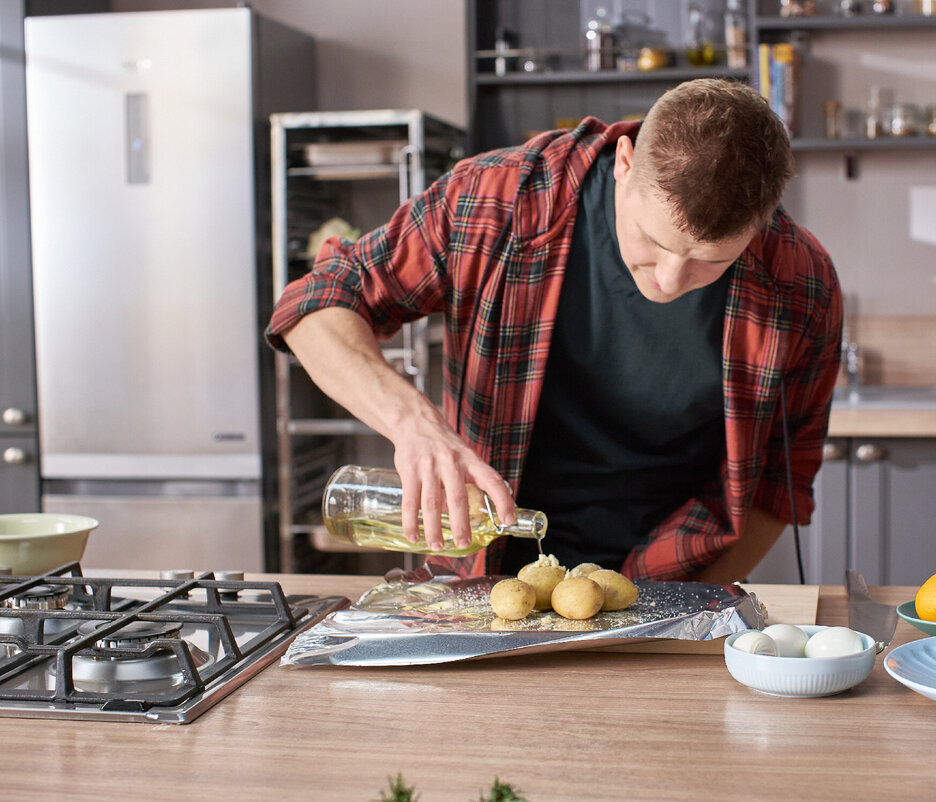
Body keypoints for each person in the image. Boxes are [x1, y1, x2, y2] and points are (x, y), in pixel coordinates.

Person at [267, 78, 842, 583]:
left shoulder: (802, 283)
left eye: (709, 261)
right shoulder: (498, 199)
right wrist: (413, 425)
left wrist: (683, 607)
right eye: (655, 241)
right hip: (478, 575)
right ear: (625, 162)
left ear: (762, 223)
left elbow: (778, 487)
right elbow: (317, 301)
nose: (669, 279)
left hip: (674, 579)